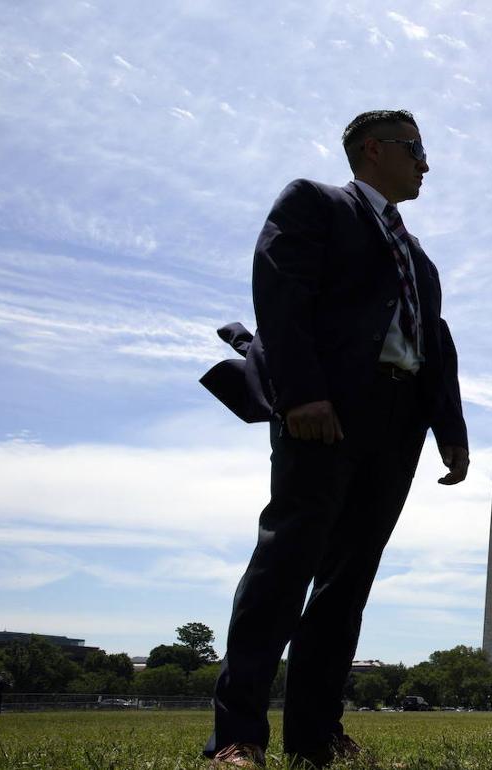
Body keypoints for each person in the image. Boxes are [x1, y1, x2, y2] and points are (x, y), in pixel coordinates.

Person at [200, 109, 469, 768]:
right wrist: (299, 393)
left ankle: (316, 736)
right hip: (326, 409)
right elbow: (280, 291)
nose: (426, 163)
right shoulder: (314, 203)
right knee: (285, 565)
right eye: (416, 149)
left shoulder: (420, 258)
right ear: (373, 150)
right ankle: (238, 736)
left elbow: (434, 341)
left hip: (397, 423)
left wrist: (450, 430)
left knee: (347, 586)